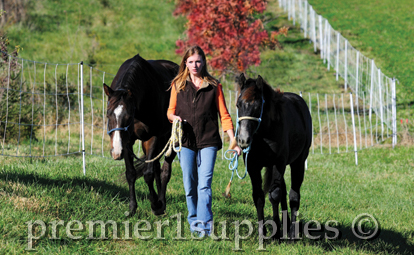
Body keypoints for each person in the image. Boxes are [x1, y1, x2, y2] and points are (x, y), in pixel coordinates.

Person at [167, 45, 241, 236]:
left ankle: (205, 227)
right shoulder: (178, 85)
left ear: (203, 62)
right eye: (190, 62)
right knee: (189, 184)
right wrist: (173, 118)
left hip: (208, 141)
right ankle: (193, 221)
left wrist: (233, 140)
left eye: (198, 61)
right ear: (185, 63)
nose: (194, 65)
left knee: (204, 184)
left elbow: (224, 115)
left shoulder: (214, 86)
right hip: (185, 142)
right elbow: (170, 111)